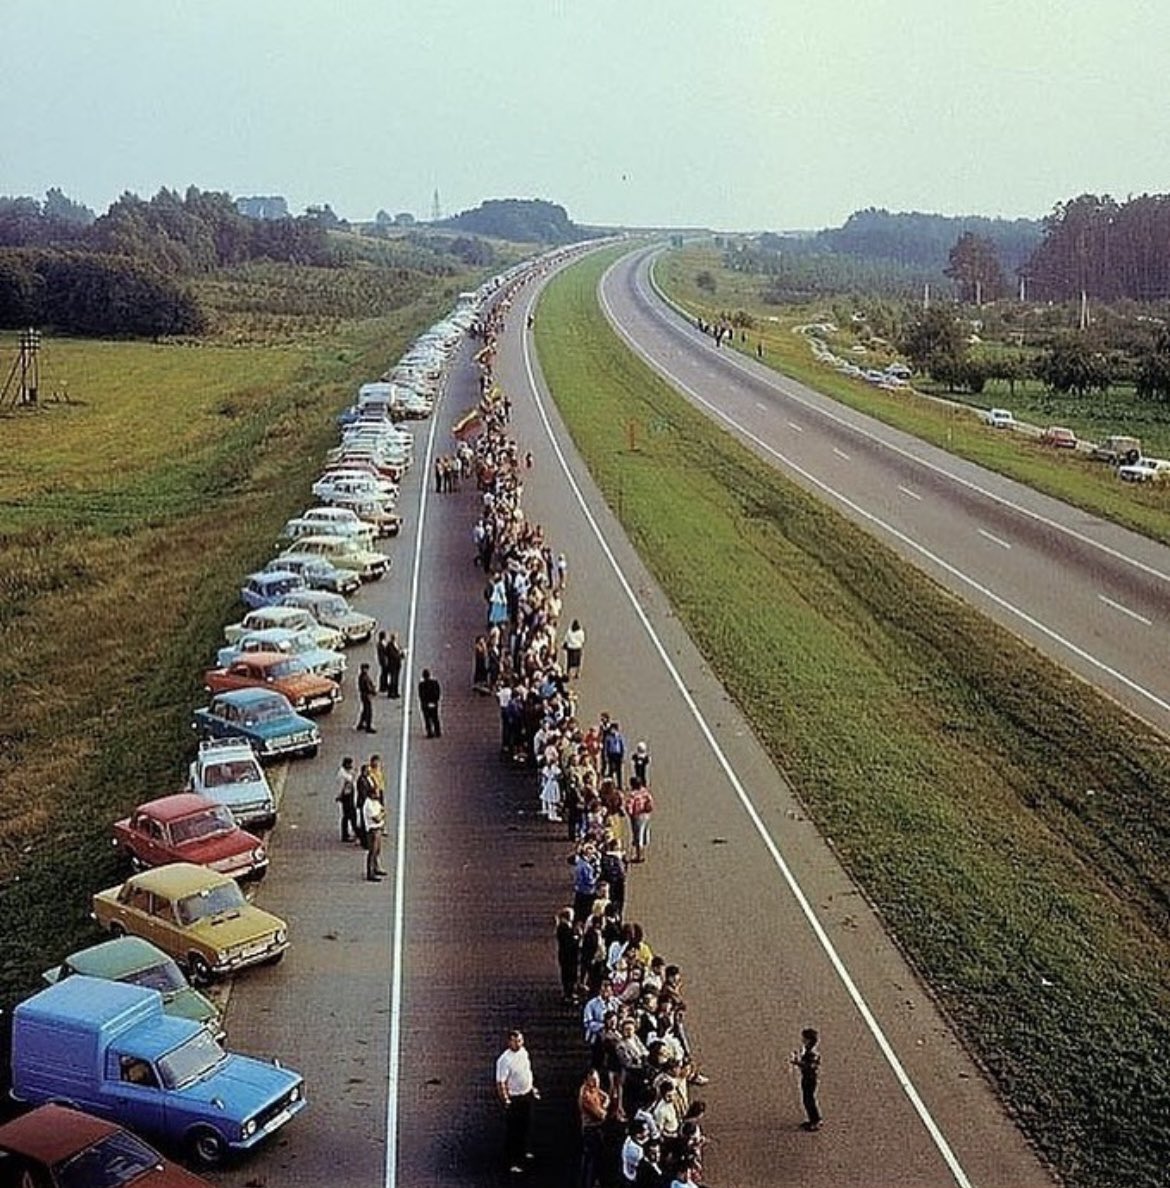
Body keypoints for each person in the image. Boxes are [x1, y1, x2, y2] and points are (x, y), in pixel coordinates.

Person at [496, 1029, 539, 1174]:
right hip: (514, 1098)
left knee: (525, 1125)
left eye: (520, 1040)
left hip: (526, 1094)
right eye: (515, 1041)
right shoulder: (504, 1060)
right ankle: (512, 1161)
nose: (519, 1043)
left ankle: (522, 1151)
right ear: (509, 1042)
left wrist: (532, 1088)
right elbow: (501, 1082)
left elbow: (527, 1071)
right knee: (513, 1131)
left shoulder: (523, 1052)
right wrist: (506, 1100)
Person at [577, 1067, 609, 1188]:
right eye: (593, 1080)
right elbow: (601, 1115)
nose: (596, 1083)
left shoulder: (594, 1089)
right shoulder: (586, 1095)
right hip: (591, 1129)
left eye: (597, 1079)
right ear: (586, 1080)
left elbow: (605, 1096)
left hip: (596, 1128)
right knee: (591, 1160)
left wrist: (604, 1104)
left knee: (595, 1158)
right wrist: (605, 1107)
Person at [792, 1027, 822, 1130]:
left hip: (809, 1079)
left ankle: (815, 1121)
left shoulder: (812, 1053)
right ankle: (813, 1119)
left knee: (808, 1100)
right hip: (808, 1077)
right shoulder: (809, 1050)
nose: (802, 1040)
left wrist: (797, 1062)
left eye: (804, 1038)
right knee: (808, 1099)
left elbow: (810, 1066)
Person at [362, 783, 387, 882]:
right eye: (375, 793)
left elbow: (383, 811)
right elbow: (376, 818)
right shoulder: (368, 805)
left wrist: (381, 814)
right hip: (373, 830)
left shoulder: (375, 802)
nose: (377, 795)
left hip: (378, 828)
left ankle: (376, 868)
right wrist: (381, 815)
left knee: (377, 850)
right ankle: (370, 873)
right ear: (371, 794)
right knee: (372, 851)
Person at [335, 756, 358, 843]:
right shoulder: (343, 774)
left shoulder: (346, 772)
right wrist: (340, 796)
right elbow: (341, 786)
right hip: (346, 796)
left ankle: (349, 833)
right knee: (349, 815)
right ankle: (348, 834)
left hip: (349, 794)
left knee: (348, 815)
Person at [418, 667, 442, 738]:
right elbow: (438, 692)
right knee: (435, 717)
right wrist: (436, 700)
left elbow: (421, 695)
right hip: (434, 702)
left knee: (427, 719)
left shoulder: (421, 685)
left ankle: (430, 732)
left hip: (426, 704)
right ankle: (437, 731)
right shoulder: (435, 683)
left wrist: (424, 702)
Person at [356, 662, 376, 733]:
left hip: (364, 695)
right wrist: (373, 691)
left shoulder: (362, 676)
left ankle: (360, 724)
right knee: (368, 711)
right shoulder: (364, 677)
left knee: (365, 710)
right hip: (366, 695)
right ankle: (368, 726)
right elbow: (368, 687)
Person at [385, 632, 405, 698]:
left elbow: (398, 651)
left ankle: (395, 692)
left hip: (397, 664)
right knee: (392, 680)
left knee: (396, 679)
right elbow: (392, 655)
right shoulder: (389, 645)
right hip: (392, 665)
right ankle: (391, 693)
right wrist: (399, 655)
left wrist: (402, 653)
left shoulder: (396, 644)